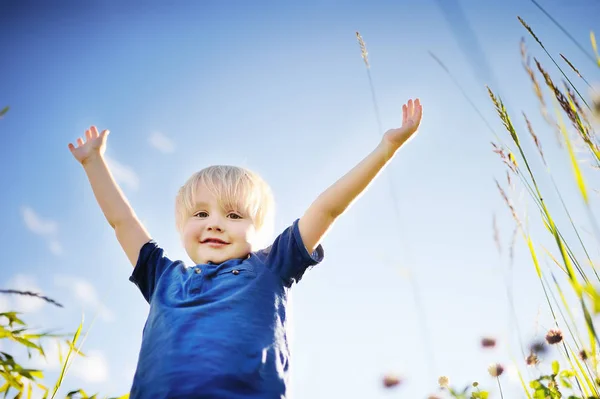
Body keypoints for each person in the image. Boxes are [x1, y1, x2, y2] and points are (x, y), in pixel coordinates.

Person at [68, 98, 423, 398]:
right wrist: (93, 163)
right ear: (181, 227)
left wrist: (387, 148)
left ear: (259, 231)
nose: (215, 223)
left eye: (234, 214)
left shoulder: (270, 267)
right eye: (201, 213)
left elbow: (326, 209)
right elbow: (123, 223)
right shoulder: (163, 277)